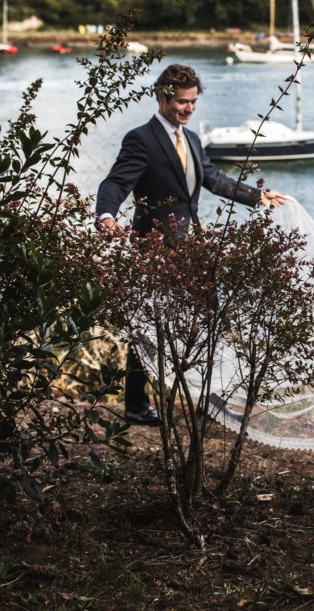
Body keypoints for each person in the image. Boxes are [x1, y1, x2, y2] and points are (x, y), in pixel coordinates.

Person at [96, 63, 286, 424]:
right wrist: (105, 215)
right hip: (153, 251)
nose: (189, 109)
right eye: (183, 102)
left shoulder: (193, 139)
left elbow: (213, 178)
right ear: (163, 97)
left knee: (207, 324)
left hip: (192, 249)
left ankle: (209, 400)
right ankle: (136, 406)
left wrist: (257, 196)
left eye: (194, 102)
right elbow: (116, 184)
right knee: (148, 329)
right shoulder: (141, 139)